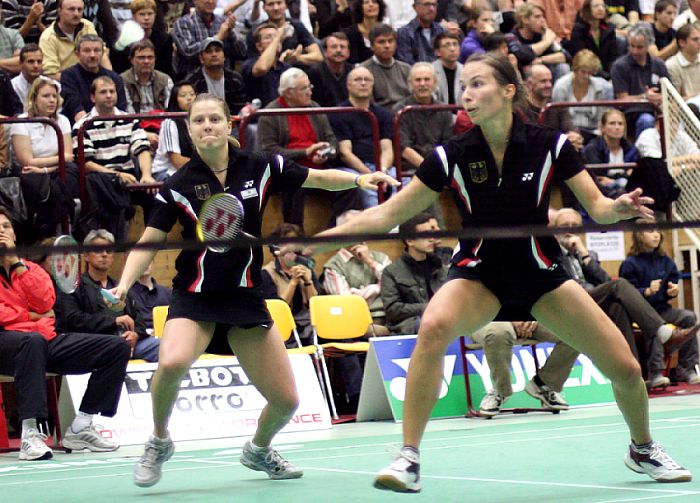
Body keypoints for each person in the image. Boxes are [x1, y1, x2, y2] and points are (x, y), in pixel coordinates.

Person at [298, 53, 692, 492]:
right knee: (432, 327)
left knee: (624, 367)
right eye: (464, 85)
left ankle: (642, 447)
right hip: (479, 275)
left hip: (542, 276)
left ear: (508, 91)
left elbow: (597, 206)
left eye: (478, 83)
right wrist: (321, 239)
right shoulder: (450, 155)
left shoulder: (551, 145)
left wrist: (616, 209)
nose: (467, 93)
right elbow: (387, 215)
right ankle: (408, 456)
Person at [109, 92, 397, 488]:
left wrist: (360, 177)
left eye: (214, 119)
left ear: (229, 126)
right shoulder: (178, 185)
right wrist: (123, 285)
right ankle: (159, 439)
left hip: (245, 294)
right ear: (190, 131)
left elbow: (316, 177)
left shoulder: (259, 166)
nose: (207, 126)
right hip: (196, 295)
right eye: (198, 121)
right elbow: (148, 240)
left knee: (287, 401)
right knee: (172, 362)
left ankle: (259, 449)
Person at [0, 206, 129, 460]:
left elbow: (45, 304)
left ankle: (81, 426)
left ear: (14, 234)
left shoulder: (31, 269)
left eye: (5, 227)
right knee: (32, 341)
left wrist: (16, 264)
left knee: (117, 347)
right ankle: (30, 433)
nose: (1, 232)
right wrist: (33, 318)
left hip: (43, 342)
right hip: (9, 345)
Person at [553, 207, 697, 388]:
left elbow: (603, 280)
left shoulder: (588, 254)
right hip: (568, 302)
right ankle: (661, 333)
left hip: (595, 302)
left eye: (575, 225)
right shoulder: (551, 254)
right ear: (553, 228)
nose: (571, 229)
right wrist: (646, 292)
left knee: (618, 308)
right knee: (620, 285)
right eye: (565, 225)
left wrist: (584, 254)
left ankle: (634, 374)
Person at [258, 67, 362, 229]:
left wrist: (326, 152)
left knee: (349, 185)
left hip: (319, 167)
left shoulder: (314, 107)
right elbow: (269, 151)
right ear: (288, 92)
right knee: (294, 182)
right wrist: (305, 152)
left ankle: (336, 232)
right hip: (289, 169)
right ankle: (294, 236)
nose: (309, 92)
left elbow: (332, 140)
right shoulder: (270, 113)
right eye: (304, 88)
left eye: (309, 87)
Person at [54, 229, 161, 362]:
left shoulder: (121, 286)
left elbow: (138, 319)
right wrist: (113, 321)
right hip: (93, 344)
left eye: (109, 251)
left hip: (129, 343)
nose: (104, 254)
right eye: (98, 250)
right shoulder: (73, 287)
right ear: (86, 255)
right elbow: (72, 319)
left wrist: (136, 335)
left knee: (165, 348)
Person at [73, 75, 155, 238]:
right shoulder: (82, 125)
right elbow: (86, 164)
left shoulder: (129, 119)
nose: (109, 95)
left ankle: (151, 246)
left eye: (112, 91)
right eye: (103, 92)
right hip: (101, 183)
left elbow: (143, 149)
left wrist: (147, 175)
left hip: (129, 180)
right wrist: (117, 175)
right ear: (92, 97)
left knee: (154, 194)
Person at [620, 220, 700, 384]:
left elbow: (672, 282)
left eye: (657, 230)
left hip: (663, 308)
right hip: (640, 314)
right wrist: (646, 291)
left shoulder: (665, 260)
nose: (656, 234)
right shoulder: (630, 264)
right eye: (650, 231)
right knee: (655, 324)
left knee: (689, 317)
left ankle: (686, 369)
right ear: (639, 235)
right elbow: (626, 292)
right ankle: (655, 373)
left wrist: (673, 291)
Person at [10, 77, 78, 243]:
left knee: (71, 173)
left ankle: (54, 232)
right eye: (46, 96)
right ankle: (52, 232)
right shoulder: (21, 121)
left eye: (54, 96)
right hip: (31, 175)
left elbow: (69, 156)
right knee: (39, 182)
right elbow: (27, 161)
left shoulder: (62, 120)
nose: (52, 100)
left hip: (53, 172)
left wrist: (44, 168)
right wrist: (52, 163)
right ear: (34, 99)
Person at [470, 321, 579, 416]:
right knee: (498, 333)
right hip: (488, 318)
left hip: (530, 314)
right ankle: (500, 391)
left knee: (575, 331)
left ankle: (543, 385)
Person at [330, 66, 395, 208]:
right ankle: (377, 229)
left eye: (367, 80)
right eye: (358, 80)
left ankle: (404, 228)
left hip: (381, 167)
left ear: (373, 84)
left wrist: (383, 171)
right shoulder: (338, 113)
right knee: (368, 187)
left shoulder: (383, 114)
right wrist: (371, 175)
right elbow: (345, 153)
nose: (363, 83)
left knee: (401, 182)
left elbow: (387, 149)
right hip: (352, 168)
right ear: (348, 85)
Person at [380, 212, 447, 335]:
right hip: (408, 326)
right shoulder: (391, 272)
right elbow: (393, 310)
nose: (432, 238)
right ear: (410, 240)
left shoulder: (440, 267)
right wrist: (429, 307)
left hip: (441, 322)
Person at [261, 223, 320, 345]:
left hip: (307, 323)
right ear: (276, 249)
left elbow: (315, 305)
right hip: (282, 325)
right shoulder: (267, 273)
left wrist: (308, 282)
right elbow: (276, 309)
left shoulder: (307, 269)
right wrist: (293, 282)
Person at [610, 22, 668, 139]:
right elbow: (622, 99)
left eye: (639, 47)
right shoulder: (620, 66)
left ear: (648, 46)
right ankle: (643, 155)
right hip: (632, 113)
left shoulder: (659, 65)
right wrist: (645, 97)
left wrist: (661, 98)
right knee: (646, 120)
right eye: (632, 46)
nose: (635, 51)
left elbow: (669, 94)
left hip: (658, 110)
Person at [60, 34, 128, 124]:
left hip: (114, 128)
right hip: (81, 129)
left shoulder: (115, 78)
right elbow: (75, 109)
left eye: (97, 50)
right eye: (87, 51)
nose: (92, 55)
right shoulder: (68, 76)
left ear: (103, 53)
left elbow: (121, 110)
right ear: (77, 54)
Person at [171, 0, 247, 80]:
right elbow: (188, 52)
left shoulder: (223, 22)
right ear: (195, 1)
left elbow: (242, 53)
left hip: (223, 79)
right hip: (192, 82)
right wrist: (217, 37)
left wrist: (231, 33)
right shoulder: (183, 23)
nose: (210, 1)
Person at [552, 50, 614, 143]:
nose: (586, 76)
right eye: (583, 72)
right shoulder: (561, 87)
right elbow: (557, 117)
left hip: (593, 134)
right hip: (567, 134)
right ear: (575, 69)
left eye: (590, 73)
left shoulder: (599, 87)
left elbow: (601, 118)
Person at [39, 0, 109, 80]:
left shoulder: (87, 26)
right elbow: (51, 75)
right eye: (71, 9)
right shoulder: (48, 38)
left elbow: (102, 55)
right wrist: (79, 82)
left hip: (93, 80)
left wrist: (109, 79)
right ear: (59, 11)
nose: (76, 14)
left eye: (79, 9)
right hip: (63, 85)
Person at [245, 0, 323, 67]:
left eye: (279, 3)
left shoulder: (296, 26)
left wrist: (297, 58)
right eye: (270, 4)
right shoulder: (256, 32)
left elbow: (318, 56)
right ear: (264, 8)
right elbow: (254, 65)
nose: (276, 8)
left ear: (286, 5)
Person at [582, 108, 639, 198]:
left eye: (620, 124)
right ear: (603, 128)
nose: (617, 127)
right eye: (612, 123)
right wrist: (625, 176)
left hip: (626, 189)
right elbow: (598, 178)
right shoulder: (592, 149)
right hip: (600, 193)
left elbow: (634, 175)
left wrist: (614, 180)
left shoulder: (631, 149)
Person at [505, 3, 570, 82]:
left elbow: (566, 56)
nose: (542, 20)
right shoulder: (511, 36)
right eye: (537, 17)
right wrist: (546, 41)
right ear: (525, 19)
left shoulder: (541, 35)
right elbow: (522, 55)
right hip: (522, 77)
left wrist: (541, 60)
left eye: (543, 16)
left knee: (563, 67)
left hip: (545, 74)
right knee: (532, 69)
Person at [187, 37, 247, 115]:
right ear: (201, 58)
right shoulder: (193, 81)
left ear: (224, 56)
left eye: (217, 50)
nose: (214, 54)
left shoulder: (235, 79)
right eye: (209, 51)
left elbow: (240, 109)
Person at [151, 81, 196, 181]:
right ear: (175, 99)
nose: (189, 98)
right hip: (165, 172)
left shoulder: (197, 121)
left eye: (192, 94)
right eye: (183, 95)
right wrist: (204, 165)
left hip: (189, 169)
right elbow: (177, 161)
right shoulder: (169, 123)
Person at [359, 23, 411, 110]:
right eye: (381, 42)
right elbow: (367, 105)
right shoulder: (363, 71)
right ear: (372, 46)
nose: (387, 46)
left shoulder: (407, 69)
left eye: (390, 41)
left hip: (405, 117)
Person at [563, 0, 619, 78]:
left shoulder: (609, 29)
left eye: (603, 6)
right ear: (587, 10)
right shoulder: (579, 30)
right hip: (587, 72)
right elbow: (582, 59)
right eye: (596, 6)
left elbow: (613, 57)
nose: (601, 9)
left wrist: (612, 76)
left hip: (608, 72)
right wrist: (605, 77)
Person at [120, 39, 174, 115]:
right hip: (134, 123)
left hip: (161, 122)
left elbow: (171, 109)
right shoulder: (122, 80)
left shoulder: (165, 80)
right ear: (131, 60)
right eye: (141, 57)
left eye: (150, 57)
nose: (146, 61)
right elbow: (128, 112)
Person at [307, 32, 354, 107]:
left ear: (348, 52)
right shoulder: (315, 72)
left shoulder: (353, 71)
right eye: (334, 47)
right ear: (325, 52)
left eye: (342, 47)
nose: (338, 50)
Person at [127, 260, 173, 336]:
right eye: (140, 261)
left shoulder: (168, 293)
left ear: (152, 262)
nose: (145, 264)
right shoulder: (127, 295)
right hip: (141, 337)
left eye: (148, 260)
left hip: (168, 335)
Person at [395, 0, 445, 65]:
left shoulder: (441, 30)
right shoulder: (404, 33)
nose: (431, 9)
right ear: (415, 7)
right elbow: (406, 65)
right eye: (427, 4)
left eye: (434, 5)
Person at [343, 0, 386, 64]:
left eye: (374, 2)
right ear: (360, 8)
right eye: (366, 2)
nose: (371, 5)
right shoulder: (351, 33)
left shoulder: (387, 31)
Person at [666, 23, 700, 99]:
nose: (699, 42)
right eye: (695, 39)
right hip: (686, 108)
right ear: (682, 43)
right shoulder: (671, 65)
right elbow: (676, 101)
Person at [11, 44, 46, 110]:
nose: (36, 66)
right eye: (31, 62)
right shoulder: (12, 87)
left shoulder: (53, 85)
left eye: (39, 61)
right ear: (20, 64)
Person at [432, 32, 462, 105]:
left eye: (455, 44)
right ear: (438, 52)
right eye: (447, 45)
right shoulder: (430, 72)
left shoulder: (465, 70)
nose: (452, 49)